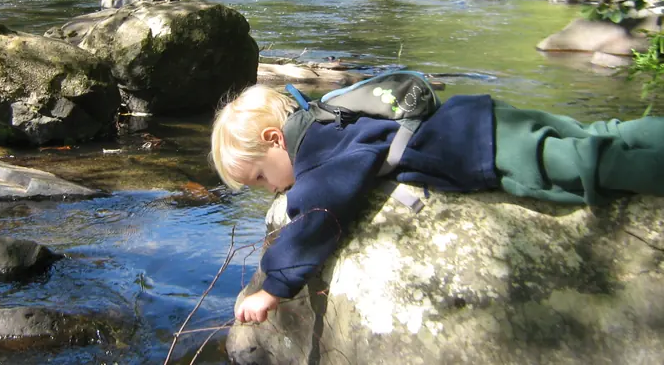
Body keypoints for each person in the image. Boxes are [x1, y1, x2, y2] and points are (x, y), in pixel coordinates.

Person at [209, 84, 664, 324]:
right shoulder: (328, 115)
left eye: (262, 177)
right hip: (480, 116)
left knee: (586, 167)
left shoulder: (318, 151)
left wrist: (273, 285)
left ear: (275, 139)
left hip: (485, 147)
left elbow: (320, 211)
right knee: (600, 134)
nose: (271, 190)